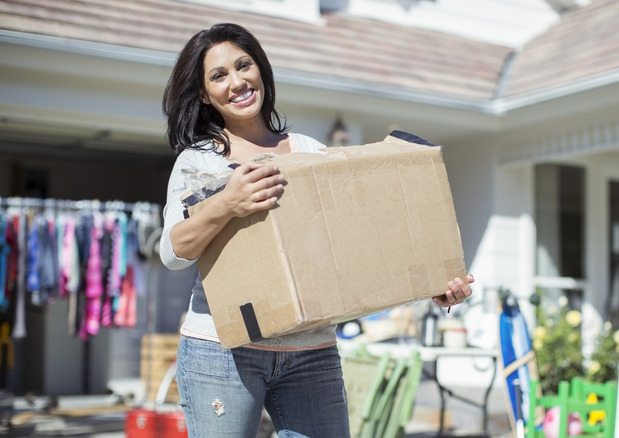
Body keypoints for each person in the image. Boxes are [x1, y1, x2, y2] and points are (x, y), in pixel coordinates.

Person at [160, 22, 474, 438]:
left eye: (244, 65)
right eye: (219, 76)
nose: (237, 82)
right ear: (203, 94)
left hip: (311, 351)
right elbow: (172, 253)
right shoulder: (199, 162)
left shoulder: (309, 151)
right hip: (222, 350)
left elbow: (355, 243)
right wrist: (226, 202)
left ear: (261, 69)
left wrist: (432, 282)